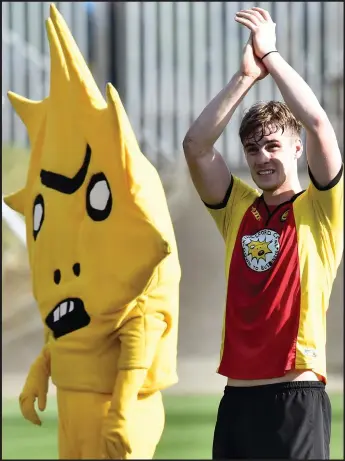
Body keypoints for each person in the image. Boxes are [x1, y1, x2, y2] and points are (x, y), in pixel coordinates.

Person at [4, 4, 180, 459]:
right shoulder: (71, 289)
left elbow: (138, 336)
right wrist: (39, 373)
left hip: (111, 416)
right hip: (74, 410)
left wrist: (122, 410)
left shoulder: (129, 297)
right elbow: (64, 332)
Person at [183, 7, 343, 460]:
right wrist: (245, 78)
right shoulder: (238, 208)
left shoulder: (321, 207)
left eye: (272, 145)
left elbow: (318, 123)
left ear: (295, 148)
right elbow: (196, 146)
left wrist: (271, 55)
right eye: (252, 149)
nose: (261, 157)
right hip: (237, 400)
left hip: (297, 397)